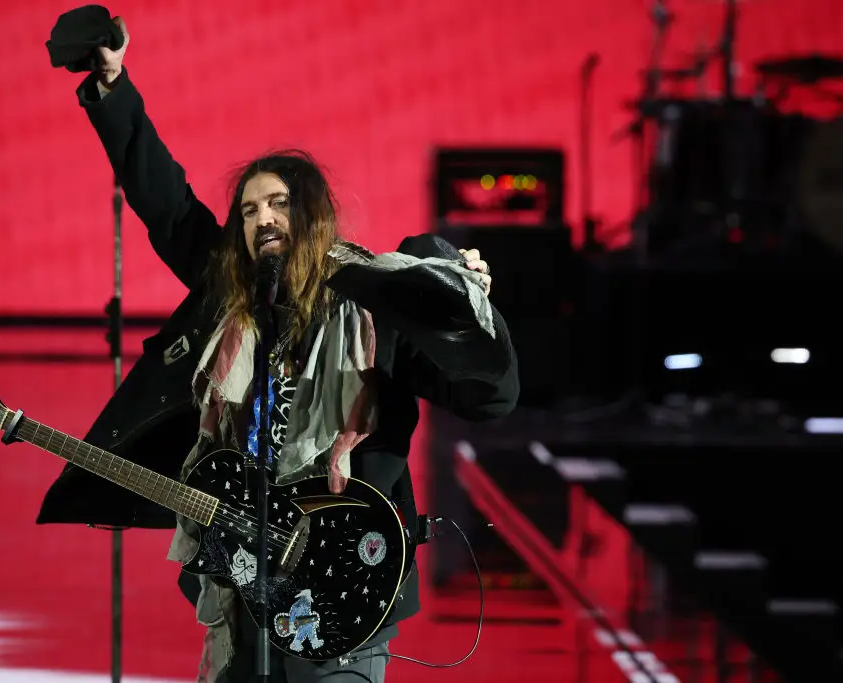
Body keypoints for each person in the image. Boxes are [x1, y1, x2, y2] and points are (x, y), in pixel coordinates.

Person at [36, 14, 518, 683]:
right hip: (245, 585)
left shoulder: (377, 305)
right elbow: (168, 205)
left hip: (346, 591)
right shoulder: (230, 299)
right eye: (248, 209)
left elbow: (488, 398)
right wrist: (112, 85)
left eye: (279, 204)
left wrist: (468, 317)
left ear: (313, 214)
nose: (261, 217)